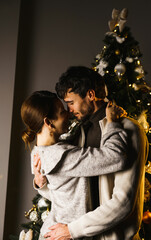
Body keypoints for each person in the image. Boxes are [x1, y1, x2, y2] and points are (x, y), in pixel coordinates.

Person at [35, 66, 148, 240]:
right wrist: (43, 184)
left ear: (90, 95)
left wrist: (72, 230)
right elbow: (72, 194)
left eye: (71, 102)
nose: (68, 110)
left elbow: (123, 202)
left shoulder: (128, 129)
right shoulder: (79, 132)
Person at [21, 90, 128, 240]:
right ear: (48, 122)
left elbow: (60, 192)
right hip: (63, 235)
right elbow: (116, 157)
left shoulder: (38, 152)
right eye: (62, 111)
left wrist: (41, 184)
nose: (69, 113)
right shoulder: (63, 156)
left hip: (53, 231)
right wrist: (112, 123)